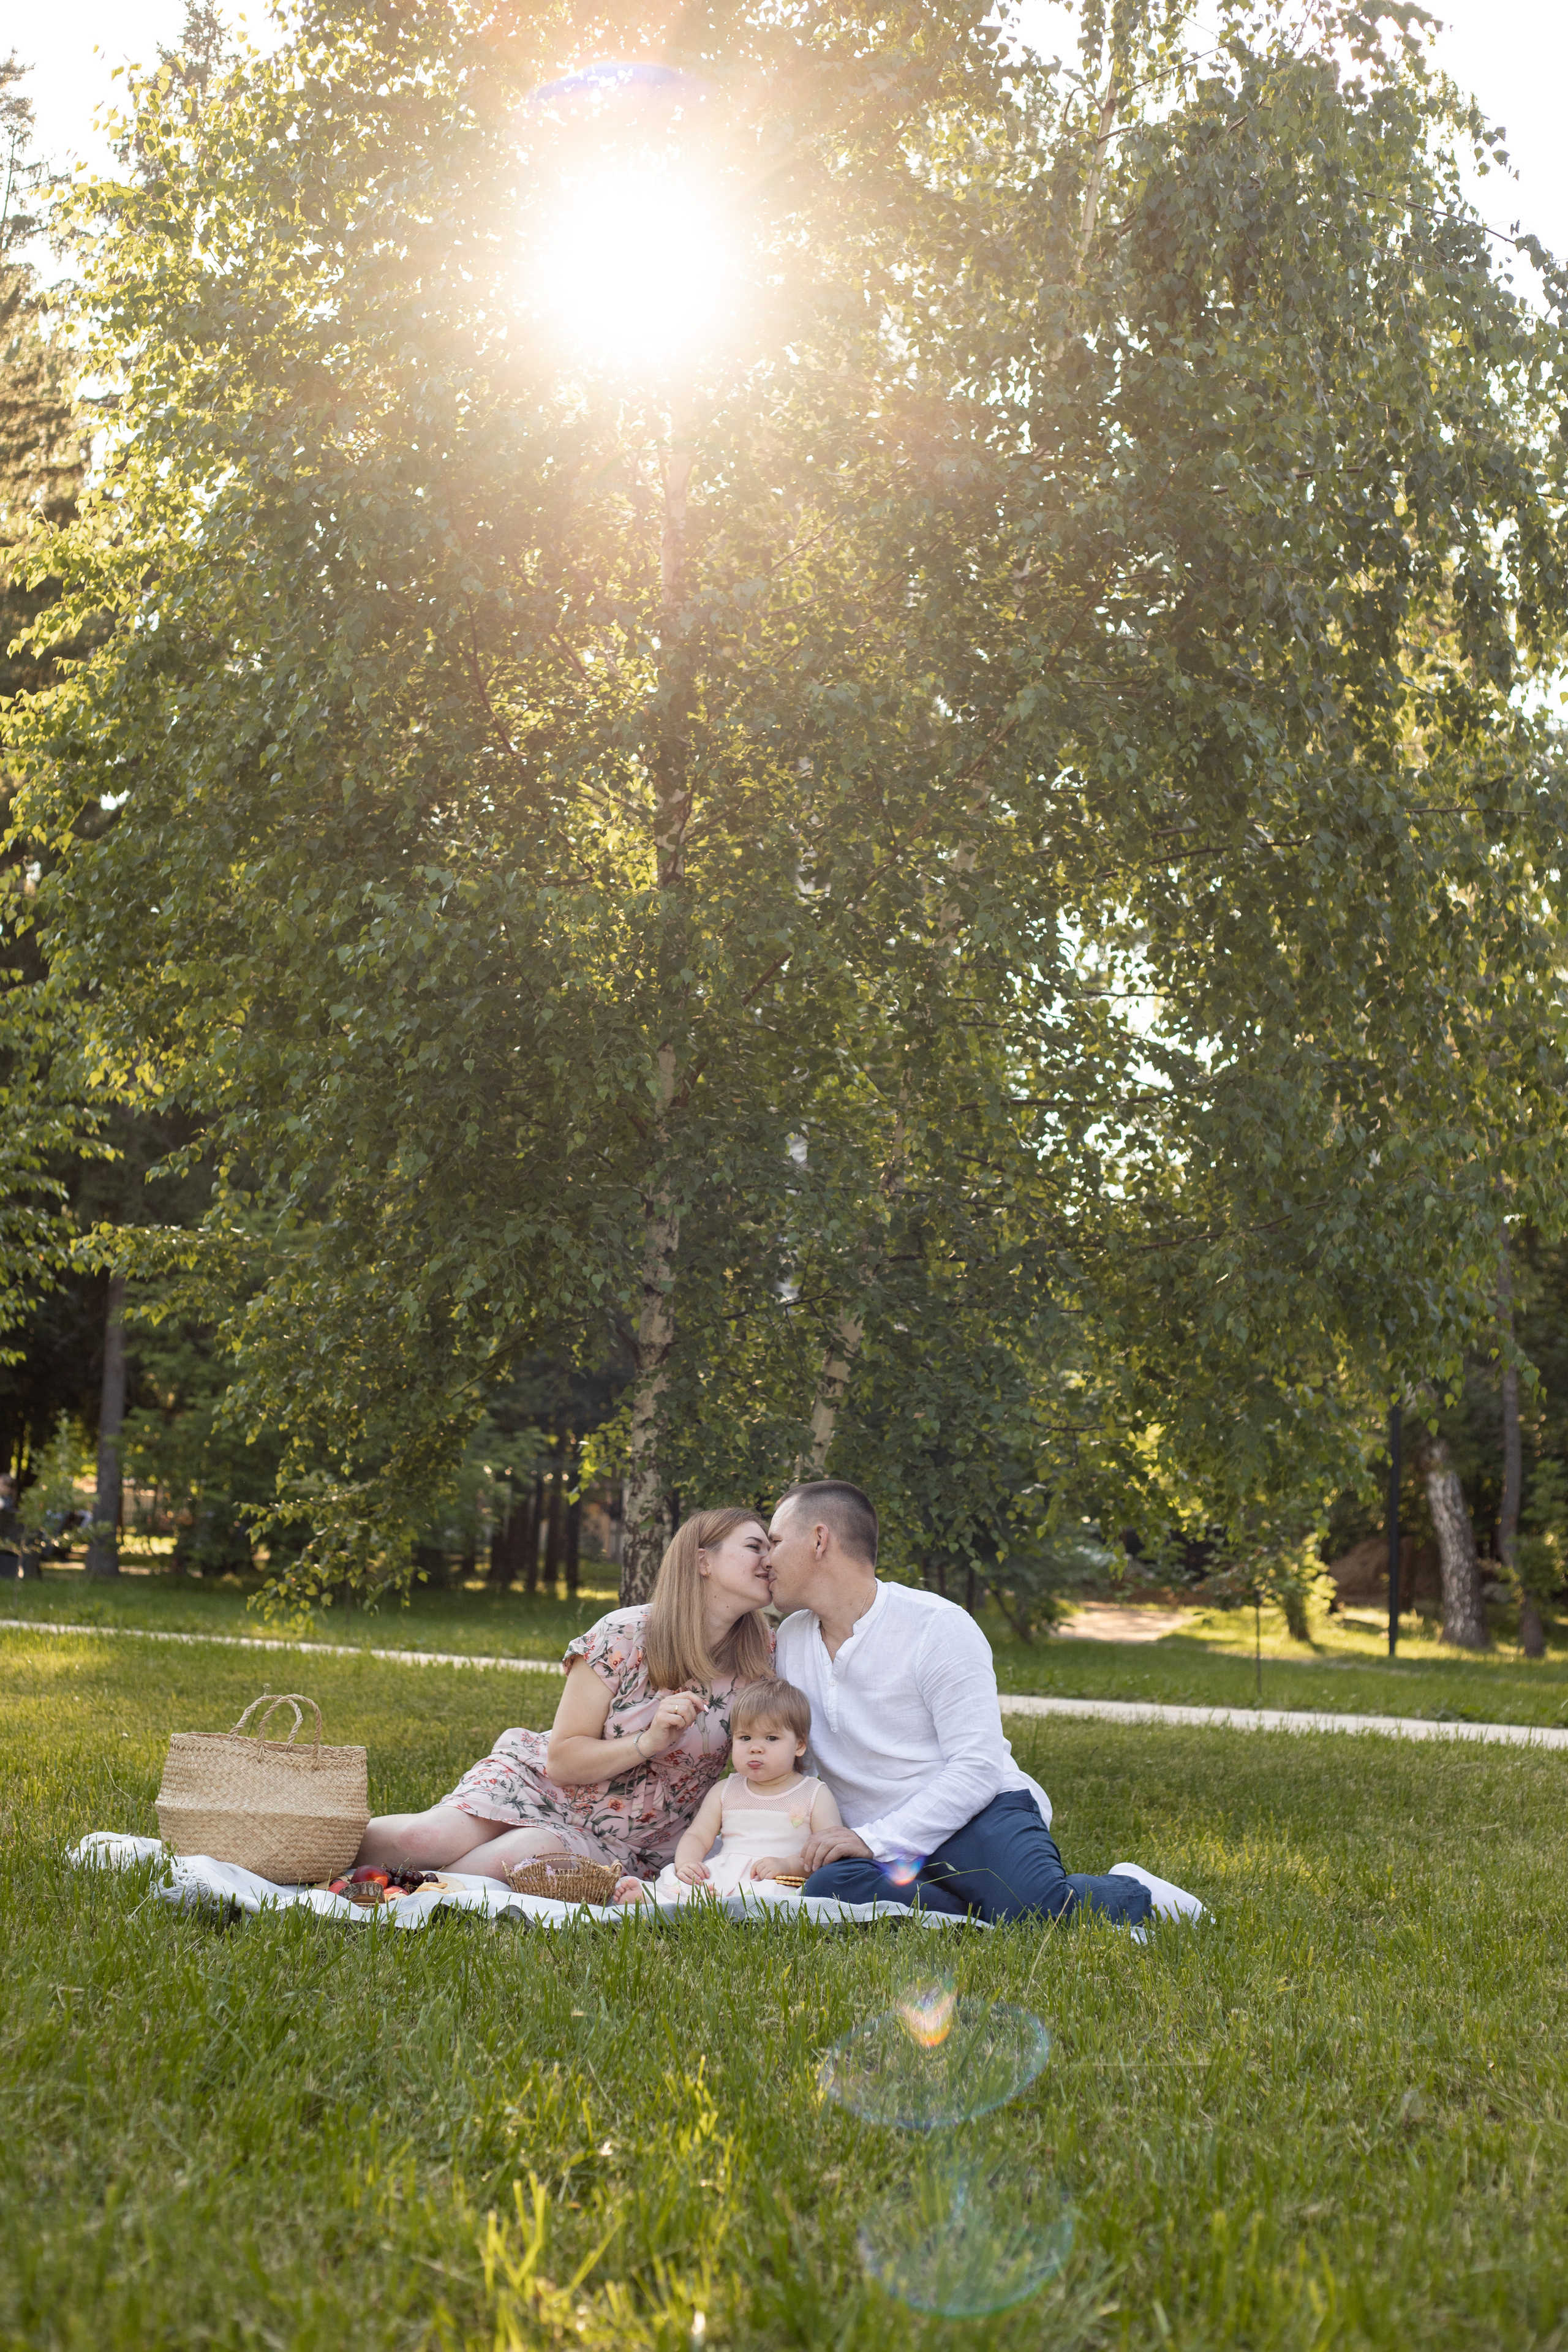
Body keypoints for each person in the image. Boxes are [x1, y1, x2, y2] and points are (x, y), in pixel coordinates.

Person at [767, 1480, 1169, 1929]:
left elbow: (977, 1767)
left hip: (977, 1815)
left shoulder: (937, 1626)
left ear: (819, 1540)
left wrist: (878, 1839)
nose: (766, 1559)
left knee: (1035, 1913)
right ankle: (981, 1910)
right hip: (872, 1840)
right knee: (829, 1891)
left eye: (775, 1542)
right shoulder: (791, 1640)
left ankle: (1136, 1891)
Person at [356, 1507, 775, 1885]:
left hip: (629, 1842)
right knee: (423, 1838)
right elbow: (561, 1760)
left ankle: (402, 1889)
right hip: (540, 1785)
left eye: (771, 1549)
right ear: (703, 1561)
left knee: (508, 1860)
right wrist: (648, 1742)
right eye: (754, 1547)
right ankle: (320, 1848)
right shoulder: (624, 1634)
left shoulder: (765, 1660)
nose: (769, 1559)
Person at [640, 1676, 842, 1902]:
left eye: (771, 1738)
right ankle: (655, 1897)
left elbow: (826, 1853)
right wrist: (688, 1863)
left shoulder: (814, 1794)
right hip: (724, 1875)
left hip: (775, 1879)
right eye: (745, 1738)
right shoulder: (726, 1790)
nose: (755, 1748)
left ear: (799, 1745)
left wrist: (787, 1865)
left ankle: (697, 1903)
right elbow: (698, 1835)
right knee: (683, 1881)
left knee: (769, 1895)